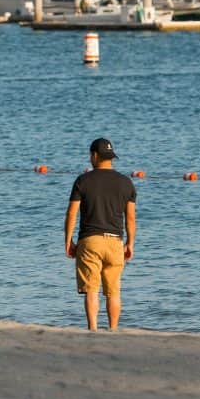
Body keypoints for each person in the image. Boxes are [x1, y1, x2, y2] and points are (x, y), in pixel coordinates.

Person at [63, 138, 137, 331]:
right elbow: (130, 218)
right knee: (113, 292)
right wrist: (130, 244)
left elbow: (72, 213)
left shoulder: (82, 181)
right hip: (115, 242)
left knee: (92, 290)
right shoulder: (126, 183)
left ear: (94, 155)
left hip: (90, 241)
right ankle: (113, 330)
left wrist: (68, 240)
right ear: (111, 157)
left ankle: (93, 330)